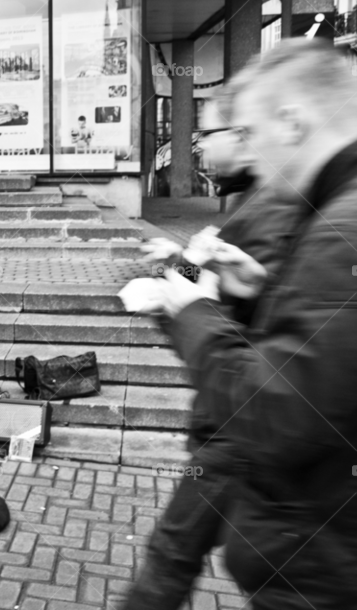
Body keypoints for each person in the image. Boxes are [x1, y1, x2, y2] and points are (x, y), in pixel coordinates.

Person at [139, 38, 357, 609]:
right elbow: (355, 358)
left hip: (336, 572)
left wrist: (192, 313)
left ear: (292, 122)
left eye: (250, 133)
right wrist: (261, 291)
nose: (248, 153)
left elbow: (277, 418)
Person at [118, 84, 298, 610]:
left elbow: (235, 319)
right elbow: (218, 281)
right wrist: (178, 259)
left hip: (238, 425)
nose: (199, 147)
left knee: (173, 555)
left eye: (207, 134)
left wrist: (174, 307)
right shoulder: (254, 201)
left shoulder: (274, 207)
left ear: (243, 136)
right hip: (235, 420)